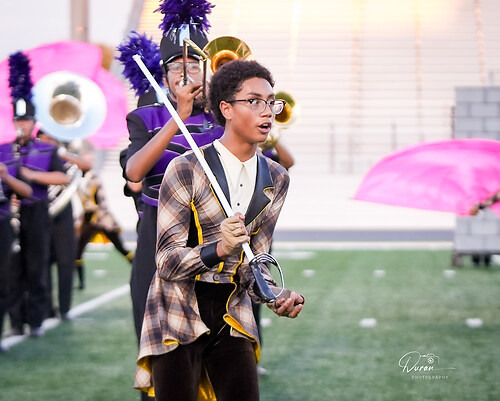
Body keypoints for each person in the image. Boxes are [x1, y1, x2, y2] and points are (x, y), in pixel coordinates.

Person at [134, 59, 304, 401]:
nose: (266, 111)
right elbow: (166, 263)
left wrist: (274, 296)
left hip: (232, 311)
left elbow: (255, 264)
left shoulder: (277, 178)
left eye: (271, 102)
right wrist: (219, 249)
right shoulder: (185, 168)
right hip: (177, 310)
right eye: (253, 101)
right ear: (225, 108)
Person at [124, 5, 223, 354]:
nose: (184, 73)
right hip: (156, 228)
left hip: (210, 230)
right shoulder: (145, 116)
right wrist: (177, 116)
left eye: (193, 65)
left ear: (206, 71)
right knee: (153, 326)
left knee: (210, 331)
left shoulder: (222, 116)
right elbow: (134, 171)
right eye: (176, 67)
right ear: (164, 75)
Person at [7, 51, 71, 337]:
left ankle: (36, 320)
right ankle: (15, 320)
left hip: (37, 211)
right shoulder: (5, 149)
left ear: (34, 122)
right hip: (11, 212)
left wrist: (31, 175)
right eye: (17, 120)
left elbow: (62, 177)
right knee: (12, 269)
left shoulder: (46, 148)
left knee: (37, 265)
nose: (21, 125)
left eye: (26, 120)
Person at [37, 131, 90, 319]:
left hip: (64, 215)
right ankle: (46, 308)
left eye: (50, 137)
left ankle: (65, 308)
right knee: (42, 262)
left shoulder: (65, 158)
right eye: (43, 137)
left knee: (66, 261)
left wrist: (60, 153)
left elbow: (86, 166)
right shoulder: (36, 157)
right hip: (41, 214)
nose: (47, 141)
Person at [0, 145, 32, 351]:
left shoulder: (9, 159)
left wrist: (6, 176)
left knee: (3, 282)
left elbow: (27, 191)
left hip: (3, 225)